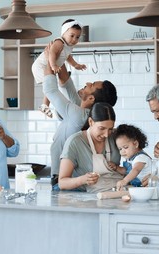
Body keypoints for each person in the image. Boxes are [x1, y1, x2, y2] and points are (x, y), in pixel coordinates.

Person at [43, 62, 117, 190]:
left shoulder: (78, 115)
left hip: (66, 180)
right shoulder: (82, 110)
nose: (88, 83)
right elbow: (67, 84)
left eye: (92, 85)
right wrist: (61, 55)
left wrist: (49, 58)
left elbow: (50, 90)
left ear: (91, 99)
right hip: (82, 183)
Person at [58, 102, 123, 193]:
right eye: (101, 128)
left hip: (116, 193)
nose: (106, 135)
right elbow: (62, 183)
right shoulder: (75, 142)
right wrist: (83, 180)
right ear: (91, 122)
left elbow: (138, 156)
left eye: (110, 129)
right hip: (86, 199)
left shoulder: (116, 137)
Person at [32, 19, 87, 118]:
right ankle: (44, 105)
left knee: (51, 86)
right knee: (50, 86)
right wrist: (53, 65)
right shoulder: (59, 42)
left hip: (50, 66)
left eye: (77, 37)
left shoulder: (68, 46)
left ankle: (45, 105)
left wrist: (75, 65)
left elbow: (67, 56)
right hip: (41, 66)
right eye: (72, 36)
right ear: (64, 33)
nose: (74, 39)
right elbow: (52, 52)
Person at [108, 124, 151, 190]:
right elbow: (126, 171)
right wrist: (116, 168)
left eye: (125, 147)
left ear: (136, 144)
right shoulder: (130, 159)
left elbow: (135, 170)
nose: (122, 152)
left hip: (149, 186)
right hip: (141, 187)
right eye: (120, 149)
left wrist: (124, 181)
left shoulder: (141, 157)